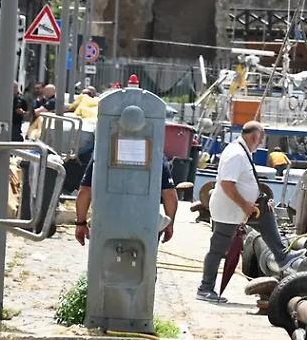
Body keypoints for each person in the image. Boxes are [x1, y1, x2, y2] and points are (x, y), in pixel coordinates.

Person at [198, 121, 291, 303]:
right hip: (229, 211)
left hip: (239, 209)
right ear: (255, 136)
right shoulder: (236, 154)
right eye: (261, 137)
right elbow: (227, 184)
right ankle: (205, 288)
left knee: (265, 215)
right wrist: (245, 205)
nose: (261, 142)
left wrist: (258, 200)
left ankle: (282, 256)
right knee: (218, 249)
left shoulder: (243, 152)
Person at [73, 147, 177, 247]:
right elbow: (170, 194)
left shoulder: (102, 152)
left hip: (105, 222)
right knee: (146, 257)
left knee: (102, 256)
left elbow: (85, 191)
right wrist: (170, 224)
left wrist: (80, 223)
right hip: (146, 224)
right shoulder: (155, 153)